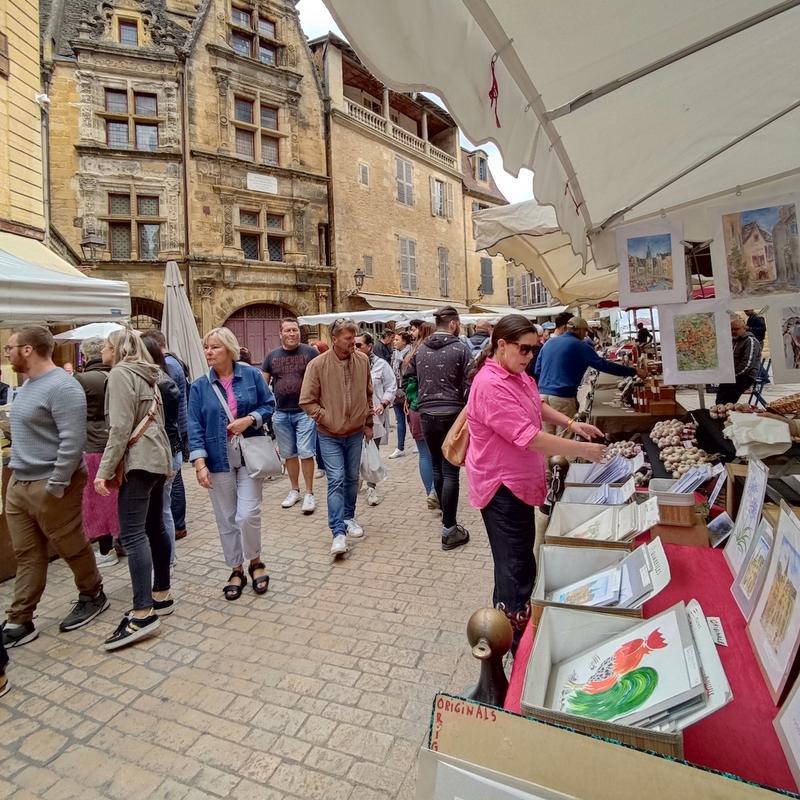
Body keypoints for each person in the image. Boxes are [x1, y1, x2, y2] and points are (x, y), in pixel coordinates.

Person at [467, 315, 606, 650]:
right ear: (501, 345)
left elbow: (537, 406)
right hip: (501, 486)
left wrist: (573, 425)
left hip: (516, 482)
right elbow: (528, 437)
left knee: (514, 562)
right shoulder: (490, 385)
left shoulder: (516, 375)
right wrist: (582, 450)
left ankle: (505, 625)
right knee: (516, 566)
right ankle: (514, 640)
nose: (530, 356)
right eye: (524, 349)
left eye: (534, 349)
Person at [2, 326, 108, 648]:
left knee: (70, 545)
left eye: (10, 347)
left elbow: (72, 441)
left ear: (28, 350)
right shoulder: (28, 386)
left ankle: (93, 593)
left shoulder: (63, 387)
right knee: (27, 553)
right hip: (19, 482)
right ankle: (20, 619)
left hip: (51, 482)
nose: (6, 352)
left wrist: (57, 483)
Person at [94, 330, 173, 650]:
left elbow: (119, 427)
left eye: (105, 345)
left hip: (139, 462)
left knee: (132, 534)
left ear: (116, 349)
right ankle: (161, 594)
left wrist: (104, 470)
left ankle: (142, 612)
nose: (102, 350)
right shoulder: (149, 374)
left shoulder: (121, 375)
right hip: (156, 457)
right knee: (154, 526)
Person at [189, 328, 275, 599]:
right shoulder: (199, 386)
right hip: (217, 456)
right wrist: (199, 463)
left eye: (214, 347)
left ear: (229, 349)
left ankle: (256, 560)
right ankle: (236, 567)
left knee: (247, 513)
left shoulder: (250, 375)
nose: (209, 352)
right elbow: (194, 425)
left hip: (249, 452)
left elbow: (268, 404)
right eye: (206, 348)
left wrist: (249, 419)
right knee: (226, 517)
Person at [300, 318, 372, 555]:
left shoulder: (362, 361)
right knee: (337, 478)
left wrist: (367, 422)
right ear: (335, 339)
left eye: (354, 337)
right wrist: (327, 418)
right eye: (348, 338)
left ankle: (349, 517)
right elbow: (307, 401)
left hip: (354, 433)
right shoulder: (318, 364)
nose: (353, 342)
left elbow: (367, 394)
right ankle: (337, 532)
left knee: (352, 477)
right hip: (329, 434)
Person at [406, 306, 472, 551]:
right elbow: (471, 381)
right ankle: (449, 528)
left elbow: (408, 379)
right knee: (451, 470)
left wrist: (418, 403)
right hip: (452, 414)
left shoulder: (420, 349)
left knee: (436, 465)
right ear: (453, 324)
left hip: (427, 414)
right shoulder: (460, 348)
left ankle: (447, 519)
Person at [534, 317, 642, 434]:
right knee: (564, 436)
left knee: (548, 436)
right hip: (563, 396)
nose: (586, 334)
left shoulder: (549, 342)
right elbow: (603, 365)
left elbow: (537, 370)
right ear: (579, 330)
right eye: (585, 331)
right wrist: (633, 371)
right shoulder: (580, 345)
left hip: (542, 396)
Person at [261, 319, 319, 514]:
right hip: (281, 413)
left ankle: (310, 493)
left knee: (305, 451)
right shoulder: (272, 356)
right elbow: (263, 386)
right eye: (288, 330)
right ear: (281, 334)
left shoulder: (310, 353)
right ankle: (294, 490)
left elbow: (320, 377)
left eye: (295, 330)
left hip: (305, 412)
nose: (292, 333)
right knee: (288, 454)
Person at [74, 337, 119, 567]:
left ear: (85, 355)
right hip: (116, 441)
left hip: (92, 442)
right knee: (117, 495)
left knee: (98, 498)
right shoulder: (117, 375)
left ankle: (106, 547)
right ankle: (120, 541)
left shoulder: (80, 380)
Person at [143, 329, 190, 542]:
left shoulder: (167, 368)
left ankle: (178, 524)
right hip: (177, 425)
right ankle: (177, 524)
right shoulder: (176, 363)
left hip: (172, 428)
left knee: (173, 483)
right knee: (174, 481)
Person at [355, 332, 396, 506]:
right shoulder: (350, 363)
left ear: (369, 346)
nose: (355, 348)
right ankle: (356, 481)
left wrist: (384, 403)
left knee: (373, 450)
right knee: (355, 451)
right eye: (353, 345)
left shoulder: (381, 365)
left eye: (359, 345)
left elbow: (391, 386)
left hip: (375, 415)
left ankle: (371, 487)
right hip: (355, 415)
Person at [402, 322, 437, 509]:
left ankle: (430, 491)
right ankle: (436, 492)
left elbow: (406, 384)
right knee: (437, 454)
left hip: (415, 408)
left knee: (424, 454)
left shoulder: (411, 355)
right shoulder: (432, 354)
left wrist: (410, 400)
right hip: (434, 408)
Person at [715, 317, 763, 405]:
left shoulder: (750, 341)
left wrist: (733, 375)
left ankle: (726, 416)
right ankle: (719, 416)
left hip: (745, 376)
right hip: (732, 375)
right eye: (731, 329)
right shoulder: (734, 340)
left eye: (736, 329)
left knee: (728, 400)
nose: (733, 331)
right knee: (719, 400)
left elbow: (747, 364)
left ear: (744, 328)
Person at [388, 331, 413, 459]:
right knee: (399, 421)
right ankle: (400, 447)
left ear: (404, 341)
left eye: (397, 340)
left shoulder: (411, 354)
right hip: (396, 391)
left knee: (411, 420)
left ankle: (417, 443)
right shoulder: (395, 355)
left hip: (408, 391)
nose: (394, 341)